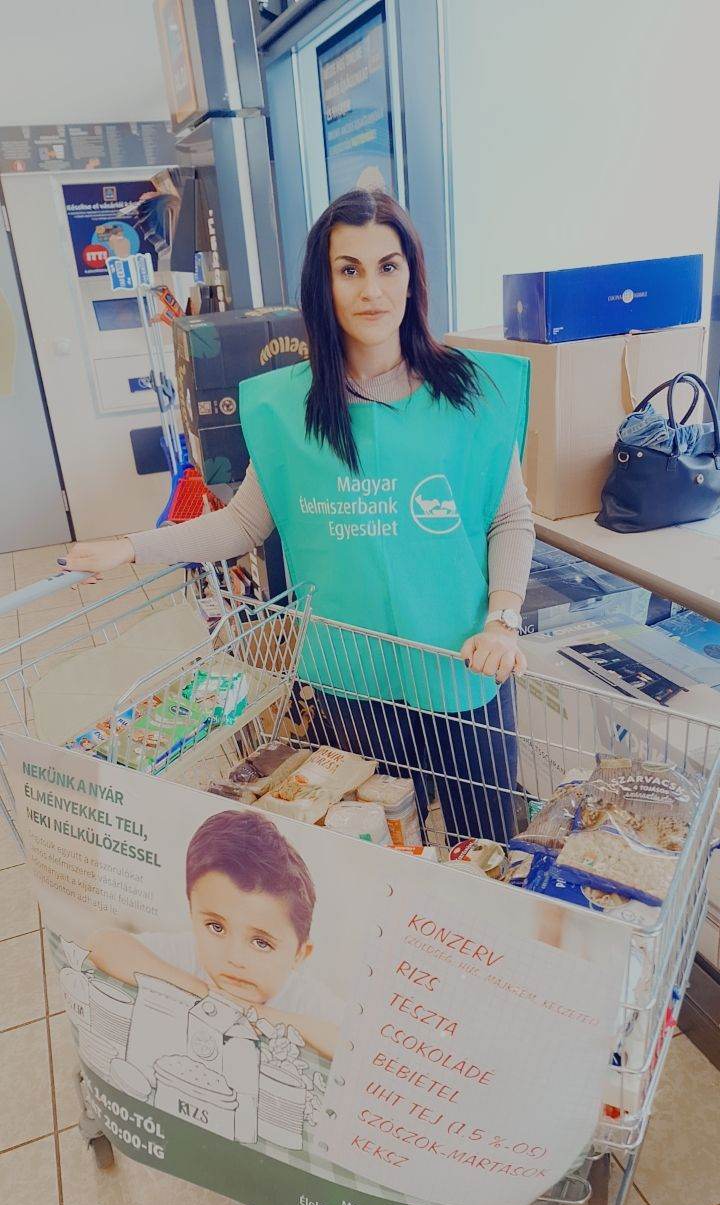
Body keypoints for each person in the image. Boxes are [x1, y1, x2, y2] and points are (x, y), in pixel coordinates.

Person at [62, 190, 534, 844]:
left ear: (412, 277)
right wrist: (132, 546)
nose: (371, 290)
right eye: (349, 270)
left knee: (485, 849)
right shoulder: (290, 408)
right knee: (380, 851)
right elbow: (242, 526)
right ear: (323, 284)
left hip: (464, 668)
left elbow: (511, 518)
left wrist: (503, 621)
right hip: (351, 682)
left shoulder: (471, 390)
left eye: (388, 266)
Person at [89, 809, 343, 1060]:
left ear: (299, 954)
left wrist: (248, 1013)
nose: (234, 958)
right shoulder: (187, 954)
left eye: (261, 943)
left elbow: (348, 1044)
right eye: (216, 927)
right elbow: (103, 944)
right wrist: (206, 995)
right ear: (192, 914)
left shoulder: (303, 998)